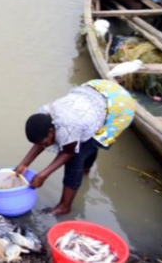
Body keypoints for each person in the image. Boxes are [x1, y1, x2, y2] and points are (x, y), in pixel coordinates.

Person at [14, 79, 135, 215]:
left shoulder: (69, 126)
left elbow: (68, 153)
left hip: (120, 106)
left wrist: (43, 175)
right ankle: (85, 170)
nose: (44, 146)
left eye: (45, 142)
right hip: (99, 89)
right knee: (86, 142)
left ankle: (64, 206)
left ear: (51, 131)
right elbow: (40, 141)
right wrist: (24, 164)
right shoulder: (43, 115)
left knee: (77, 157)